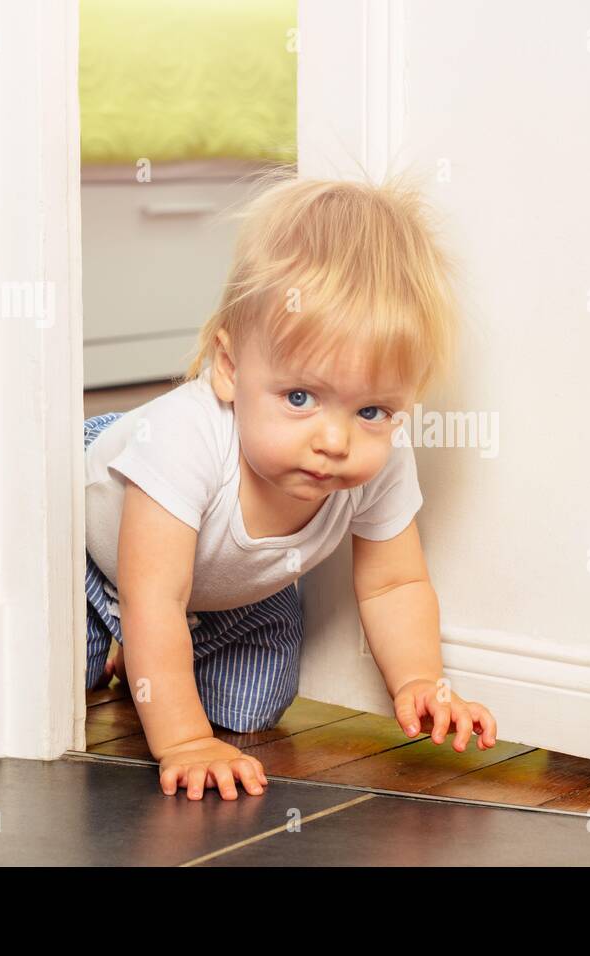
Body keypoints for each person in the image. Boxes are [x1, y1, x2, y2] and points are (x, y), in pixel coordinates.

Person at [83, 169, 497, 801]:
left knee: (255, 706)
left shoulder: (381, 460)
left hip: (232, 591)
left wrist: (420, 680)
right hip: (99, 556)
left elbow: (395, 582)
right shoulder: (180, 441)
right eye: (300, 397)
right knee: (57, 672)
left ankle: (143, 658)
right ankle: (112, 643)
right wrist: (186, 741)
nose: (336, 442)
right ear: (229, 367)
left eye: (371, 412)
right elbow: (152, 599)